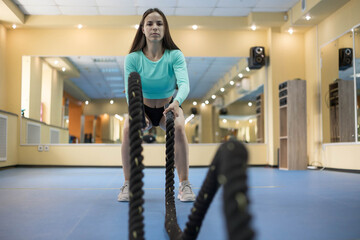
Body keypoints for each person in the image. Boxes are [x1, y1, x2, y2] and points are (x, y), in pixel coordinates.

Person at [118, 8, 196, 202]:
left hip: (167, 107)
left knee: (179, 128)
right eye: (150, 24)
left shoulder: (175, 55)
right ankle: (128, 184)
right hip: (140, 106)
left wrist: (176, 103)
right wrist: (136, 110)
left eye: (159, 24)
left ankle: (184, 184)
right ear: (142, 29)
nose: (154, 27)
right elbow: (130, 88)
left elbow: (184, 84)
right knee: (128, 129)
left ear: (165, 29)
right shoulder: (133, 58)